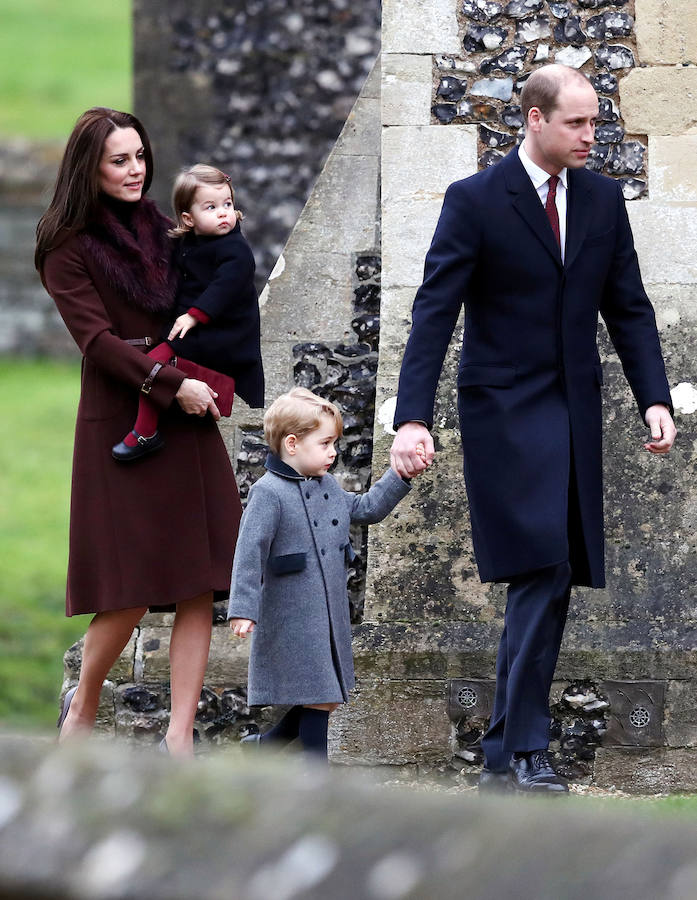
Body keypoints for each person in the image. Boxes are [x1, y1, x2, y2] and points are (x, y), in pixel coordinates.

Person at [389, 64, 676, 793]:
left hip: (574, 410)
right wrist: (411, 417)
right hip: (503, 411)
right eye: (577, 123)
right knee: (542, 564)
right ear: (533, 120)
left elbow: (629, 306)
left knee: (550, 573)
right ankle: (524, 748)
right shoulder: (475, 201)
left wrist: (653, 397)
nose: (592, 135)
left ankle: (505, 751)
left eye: (595, 121)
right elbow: (433, 313)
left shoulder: (604, 200)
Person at [36, 108, 245, 757]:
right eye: (119, 160)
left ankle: (179, 739)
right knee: (126, 591)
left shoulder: (163, 228)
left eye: (139, 157)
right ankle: (85, 703)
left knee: (195, 583)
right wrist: (167, 385)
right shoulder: (63, 247)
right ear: (89, 168)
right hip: (120, 417)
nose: (135, 170)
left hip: (185, 411)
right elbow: (94, 340)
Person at [228, 388, 412, 762]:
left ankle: (264, 748)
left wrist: (400, 473)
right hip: (292, 615)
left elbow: (366, 508)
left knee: (324, 697)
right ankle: (317, 782)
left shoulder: (326, 486)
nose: (333, 452)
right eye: (325, 443)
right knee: (318, 696)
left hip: (329, 617)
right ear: (292, 444)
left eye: (335, 443)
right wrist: (243, 608)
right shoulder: (268, 492)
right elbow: (249, 552)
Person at [112, 163, 264, 461]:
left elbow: (226, 286)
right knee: (159, 363)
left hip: (224, 332)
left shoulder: (235, 250)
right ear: (188, 218)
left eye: (228, 204)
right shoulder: (188, 243)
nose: (223, 212)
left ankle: (145, 432)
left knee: (155, 364)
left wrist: (195, 314)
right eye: (211, 207)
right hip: (199, 329)